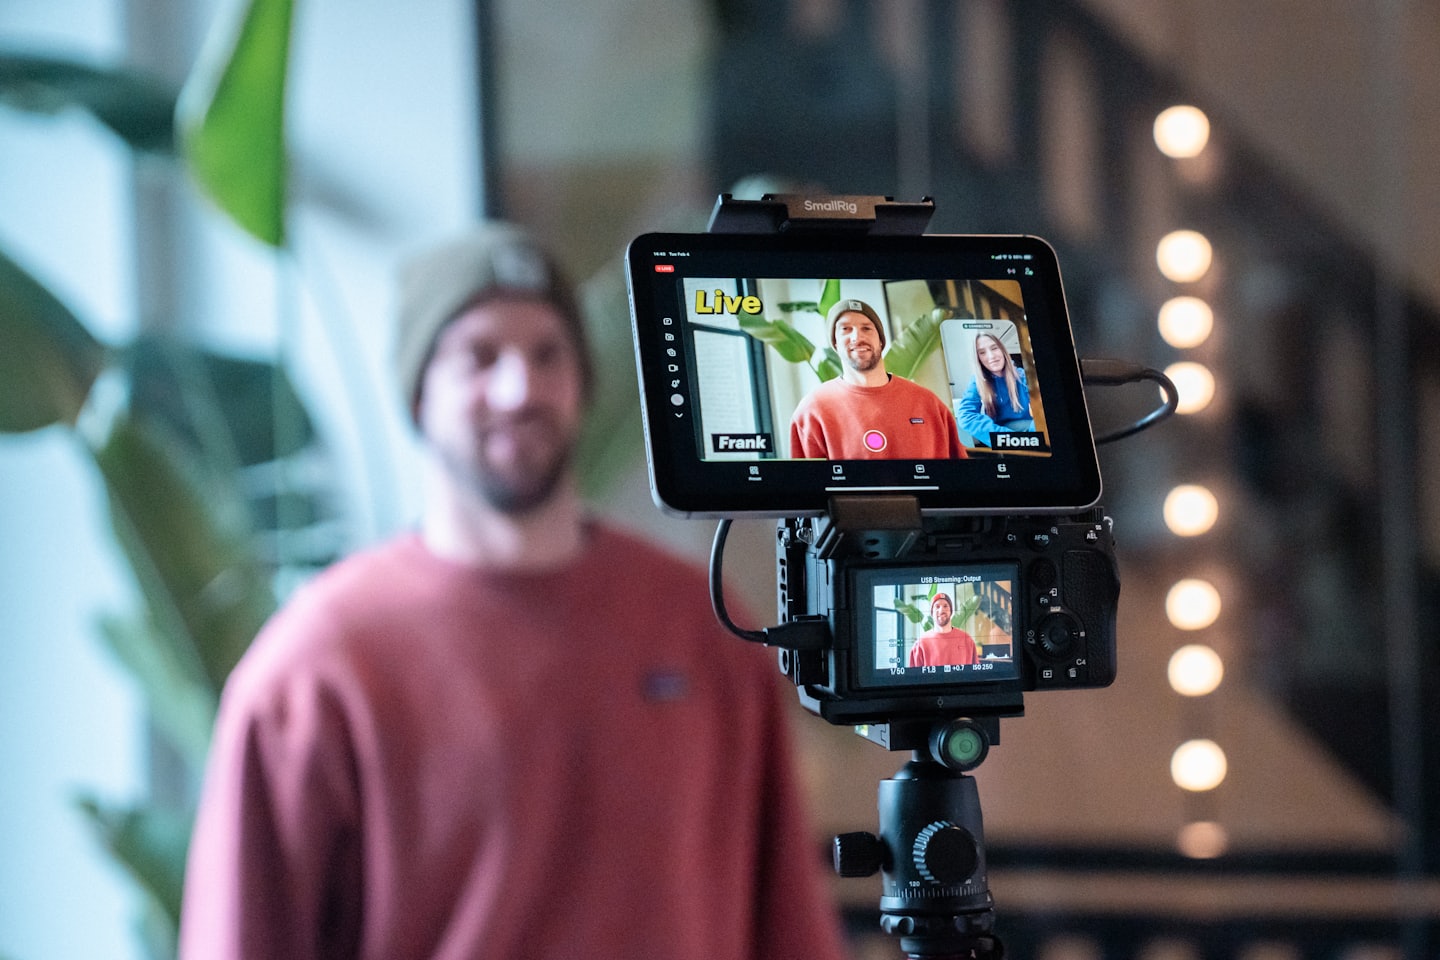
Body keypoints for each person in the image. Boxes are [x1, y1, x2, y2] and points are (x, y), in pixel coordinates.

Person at [177, 223, 849, 960]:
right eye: (480, 356)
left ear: (581, 384)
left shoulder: (700, 626)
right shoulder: (314, 669)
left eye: (547, 353)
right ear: (418, 394)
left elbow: (789, 930)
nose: (520, 388)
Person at [789, 298, 967, 460]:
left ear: (881, 340)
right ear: (835, 343)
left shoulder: (929, 403)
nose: (857, 337)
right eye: (845, 329)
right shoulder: (812, 411)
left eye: (866, 328)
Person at [956, 331, 1034, 446]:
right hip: (1001, 434)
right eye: (982, 352)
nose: (991, 356)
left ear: (1002, 350)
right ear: (978, 358)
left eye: (994, 348)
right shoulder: (977, 381)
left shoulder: (1024, 376)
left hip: (1029, 432)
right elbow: (966, 415)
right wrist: (1006, 438)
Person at [907, 592, 979, 668]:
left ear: (951, 611)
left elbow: (976, 672)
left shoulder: (966, 640)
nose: (941, 610)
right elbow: (914, 674)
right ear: (932, 613)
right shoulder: (920, 645)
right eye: (937, 606)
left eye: (945, 606)